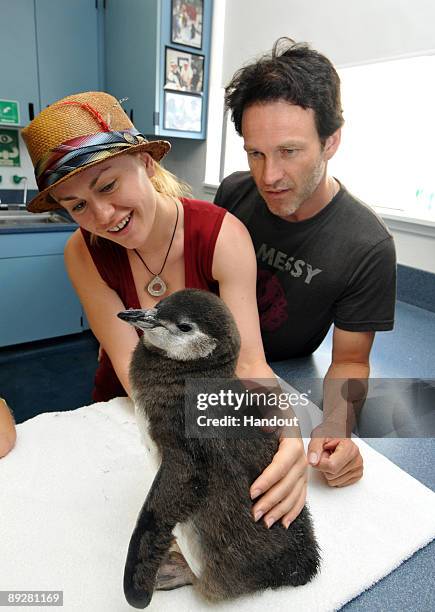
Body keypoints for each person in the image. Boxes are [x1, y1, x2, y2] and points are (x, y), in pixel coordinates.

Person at [21, 91, 308, 530]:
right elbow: (130, 367)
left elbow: (249, 360)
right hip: (131, 405)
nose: (102, 215)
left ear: (147, 163)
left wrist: (289, 433)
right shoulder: (82, 253)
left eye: (108, 185)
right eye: (77, 206)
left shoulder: (222, 237)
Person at [214, 38, 397, 487]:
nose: (268, 176)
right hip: (215, 364)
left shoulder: (367, 245)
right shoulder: (234, 192)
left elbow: (352, 360)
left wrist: (337, 426)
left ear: (331, 140)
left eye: (289, 151)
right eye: (255, 152)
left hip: (287, 375)